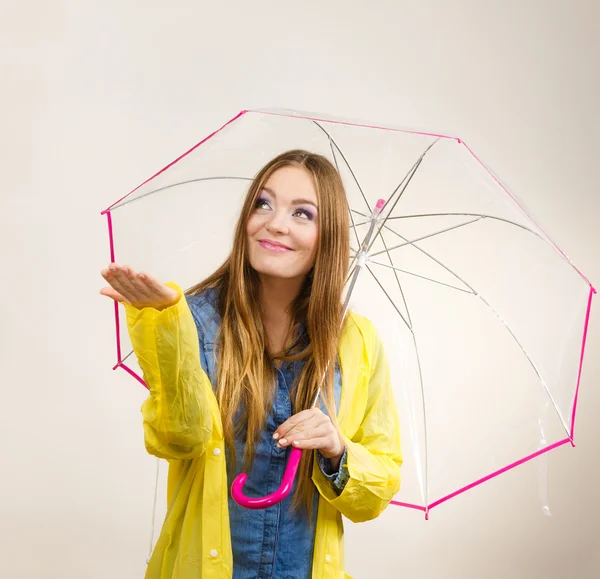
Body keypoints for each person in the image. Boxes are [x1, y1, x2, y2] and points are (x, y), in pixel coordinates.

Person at [100, 149, 402, 579]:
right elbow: (176, 439)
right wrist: (169, 331)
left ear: (328, 237)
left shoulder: (355, 341)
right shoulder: (195, 320)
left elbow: (379, 486)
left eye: (303, 213)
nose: (274, 222)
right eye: (263, 203)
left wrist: (336, 451)